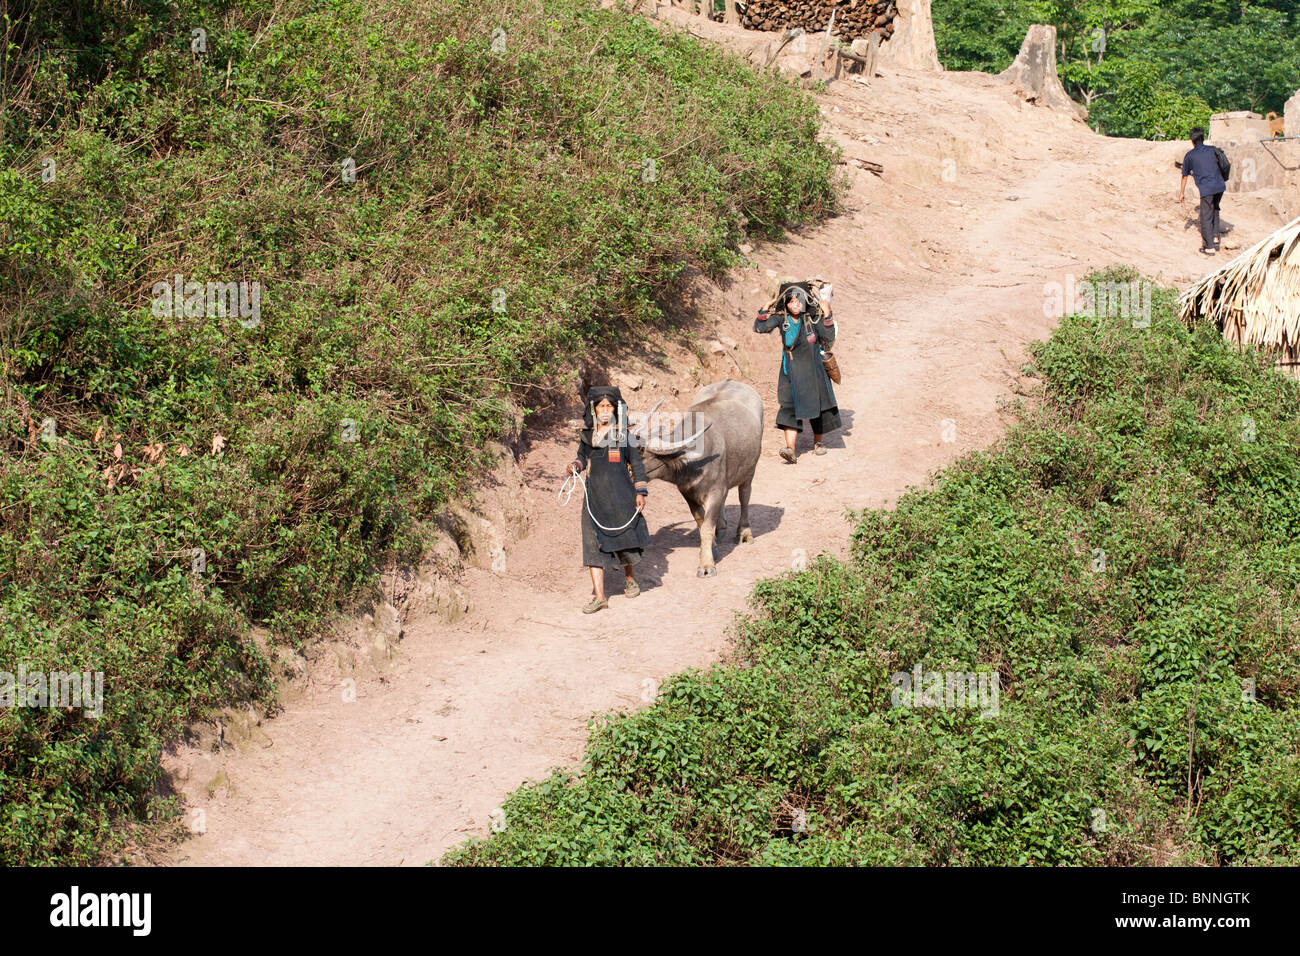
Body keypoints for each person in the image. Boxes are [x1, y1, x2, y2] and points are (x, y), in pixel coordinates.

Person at [567, 386, 650, 613]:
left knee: (625, 539)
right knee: (592, 544)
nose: (605, 410)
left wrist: (640, 491)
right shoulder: (587, 437)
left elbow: (637, 464)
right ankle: (600, 596)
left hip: (621, 495)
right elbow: (581, 458)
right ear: (594, 409)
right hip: (594, 498)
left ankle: (630, 579)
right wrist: (576, 466)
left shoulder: (625, 436)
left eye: (609, 406)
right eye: (601, 406)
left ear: (615, 409)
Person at [753, 284, 840, 463]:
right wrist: (764, 308)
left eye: (798, 301)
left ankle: (818, 443)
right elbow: (759, 327)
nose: (795, 305)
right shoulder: (781, 320)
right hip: (790, 371)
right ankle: (790, 449)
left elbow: (829, 336)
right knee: (789, 408)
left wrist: (827, 314)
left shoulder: (812, 319)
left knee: (819, 407)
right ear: (786, 304)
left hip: (814, 370)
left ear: (804, 303)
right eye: (791, 301)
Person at [1178, 126, 1227, 256]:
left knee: (1205, 216)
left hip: (1207, 188)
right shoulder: (1212, 150)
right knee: (1215, 209)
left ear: (1191, 140)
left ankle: (1209, 246)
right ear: (1203, 138)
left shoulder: (1189, 155)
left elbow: (1184, 176)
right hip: (1220, 186)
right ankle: (1216, 238)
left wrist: (1182, 193)